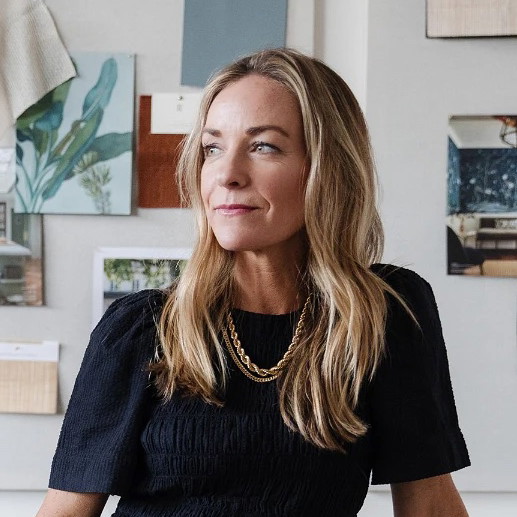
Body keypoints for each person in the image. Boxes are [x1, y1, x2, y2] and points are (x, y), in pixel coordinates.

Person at [37, 48, 470, 517]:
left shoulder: (384, 314)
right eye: (212, 148)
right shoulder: (141, 328)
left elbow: (429, 503)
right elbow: (66, 510)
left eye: (264, 146)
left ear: (327, 168)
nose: (226, 174)